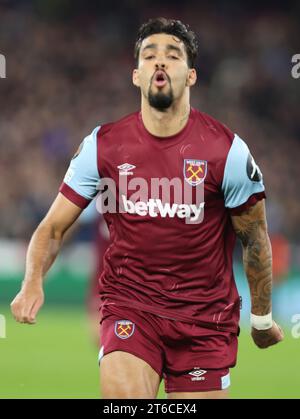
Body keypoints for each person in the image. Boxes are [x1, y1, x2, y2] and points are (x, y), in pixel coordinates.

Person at [11, 17, 283, 399]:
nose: (159, 62)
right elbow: (53, 227)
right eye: (149, 55)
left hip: (205, 322)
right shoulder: (102, 146)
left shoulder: (228, 151)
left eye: (172, 56)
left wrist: (261, 317)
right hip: (130, 307)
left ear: (190, 75)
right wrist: (31, 281)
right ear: (136, 74)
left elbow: (254, 240)